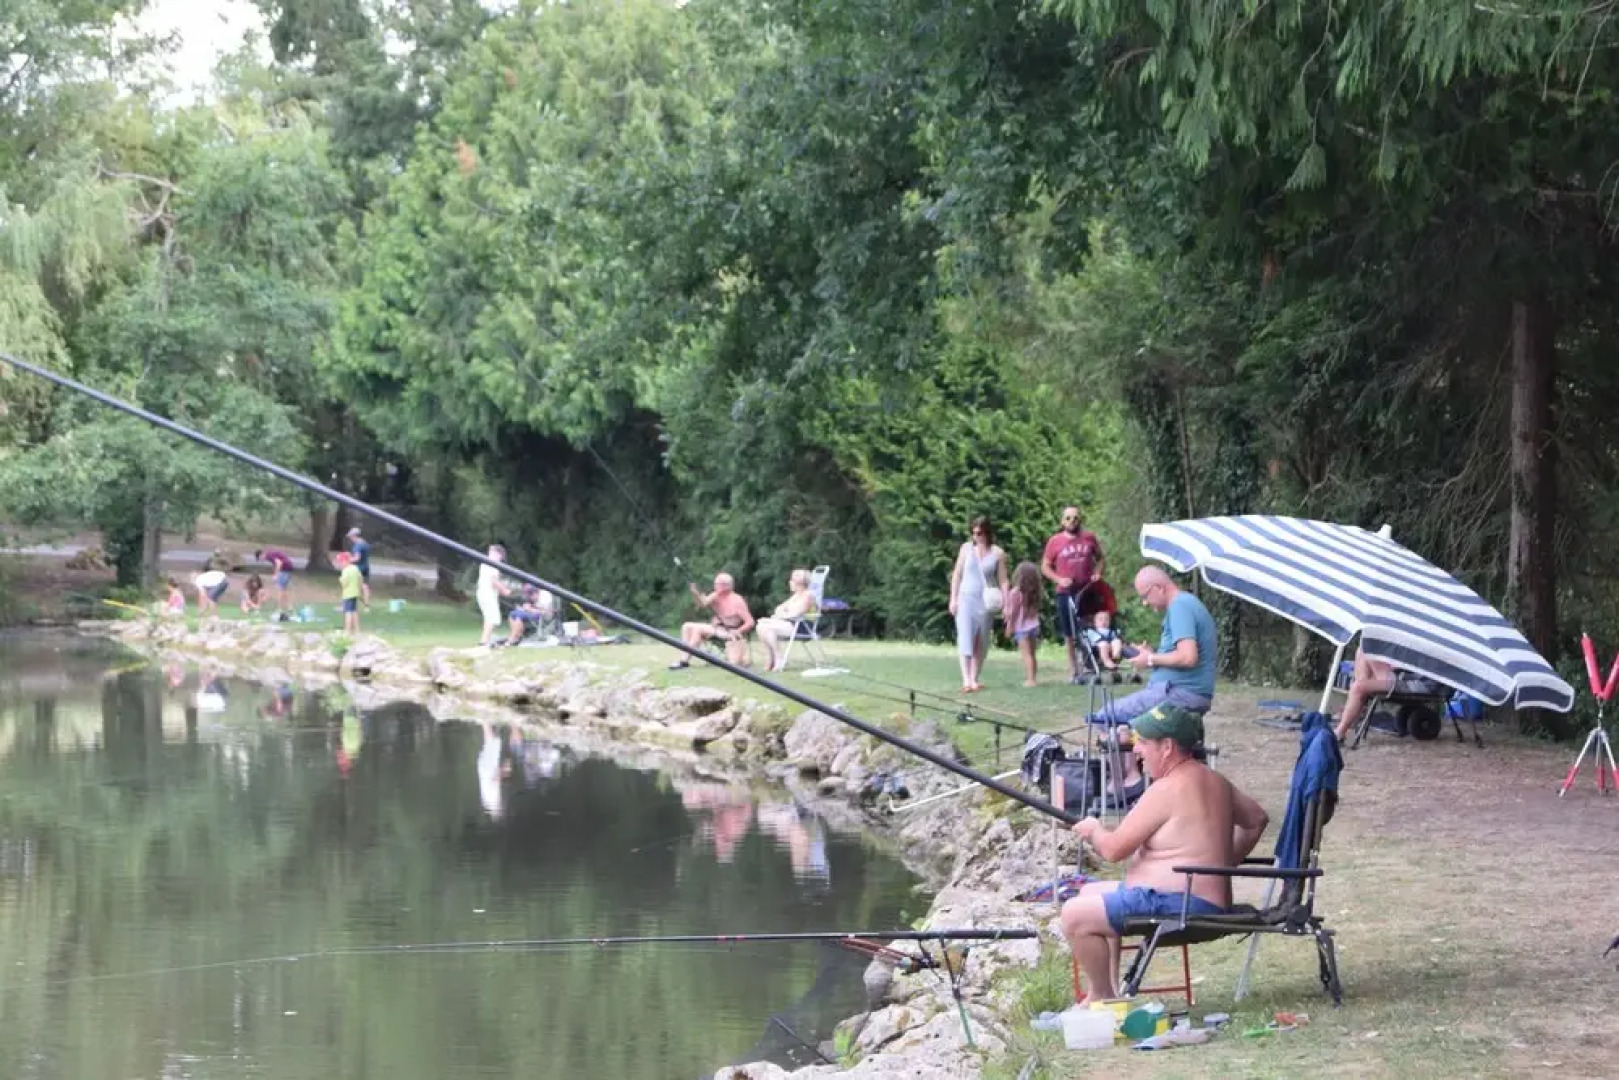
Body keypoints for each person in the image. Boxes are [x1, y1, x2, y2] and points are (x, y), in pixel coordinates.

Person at [1059, 705, 1269, 1001]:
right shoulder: (1215, 780)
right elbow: (1257, 819)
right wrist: (1224, 863)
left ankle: (1102, 997)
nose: (1136, 750)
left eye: (1143, 742)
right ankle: (1109, 993)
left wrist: (1094, 830)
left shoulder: (1167, 789)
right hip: (1195, 900)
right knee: (1088, 894)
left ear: (1167, 746)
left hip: (1180, 904)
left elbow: (1113, 850)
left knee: (1074, 915)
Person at [1088, 566, 1219, 797]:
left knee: (1104, 716)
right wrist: (1152, 654)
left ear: (1159, 587)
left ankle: (1129, 782)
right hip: (1181, 690)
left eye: (1145, 596)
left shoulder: (1180, 607)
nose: (1145, 603)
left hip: (1179, 692)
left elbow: (1188, 657)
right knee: (1121, 723)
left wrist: (1149, 659)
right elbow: (1179, 654)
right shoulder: (1186, 605)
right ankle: (1133, 779)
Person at [1041, 506, 1105, 684]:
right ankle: (1074, 671)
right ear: (1062, 521)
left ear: (1080, 520)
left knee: (1090, 628)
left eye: (1075, 518)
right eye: (1068, 518)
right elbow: (1045, 566)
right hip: (1066, 592)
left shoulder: (1089, 537)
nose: (1072, 521)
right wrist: (1058, 579)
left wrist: (1097, 573)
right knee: (1069, 633)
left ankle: (1090, 665)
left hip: (1087, 590)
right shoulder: (1055, 541)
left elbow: (1100, 558)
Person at [949, 516, 1009, 693]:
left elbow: (1003, 580)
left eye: (980, 533)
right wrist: (953, 598)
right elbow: (957, 574)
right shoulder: (966, 549)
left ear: (987, 533)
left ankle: (975, 677)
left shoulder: (997, 553)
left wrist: (1006, 603)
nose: (977, 536)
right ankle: (966, 680)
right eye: (974, 533)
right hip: (966, 597)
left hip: (986, 601)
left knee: (981, 640)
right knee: (965, 636)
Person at [669, 573, 754, 669]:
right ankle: (683, 657)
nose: (715, 586)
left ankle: (684, 661)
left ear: (726, 586)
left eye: (717, 584)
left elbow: (750, 622)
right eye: (715, 584)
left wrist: (738, 631)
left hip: (730, 631)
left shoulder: (737, 600)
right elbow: (702, 604)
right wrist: (695, 593)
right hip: (717, 628)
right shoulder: (716, 595)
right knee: (686, 626)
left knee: (698, 629)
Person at [755, 568, 817, 672]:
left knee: (767, 627)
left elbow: (796, 613)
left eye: (792, 580)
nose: (790, 582)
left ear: (800, 583)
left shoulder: (808, 595)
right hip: (790, 623)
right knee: (760, 625)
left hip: (802, 626)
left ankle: (778, 657)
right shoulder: (796, 596)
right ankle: (771, 658)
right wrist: (783, 614)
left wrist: (782, 614)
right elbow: (779, 609)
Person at [1332, 648, 1396, 742]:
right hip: (1384, 674)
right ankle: (1357, 710)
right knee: (1362, 649)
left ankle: (1342, 729)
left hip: (1396, 677)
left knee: (1358, 687)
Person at [1001, 561, 1044, 687]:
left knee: (1026, 655)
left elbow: (1014, 613)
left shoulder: (1015, 593)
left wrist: (1009, 627)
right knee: (1032, 654)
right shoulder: (1035, 593)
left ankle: (1030, 680)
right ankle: (1033, 677)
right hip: (1034, 626)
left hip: (1021, 628)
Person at [476, 544, 511, 647]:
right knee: (492, 618)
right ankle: (484, 641)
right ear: (498, 554)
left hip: (483, 593)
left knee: (490, 618)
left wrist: (501, 589)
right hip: (488, 595)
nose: (501, 559)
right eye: (501, 556)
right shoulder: (493, 564)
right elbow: (494, 581)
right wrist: (504, 590)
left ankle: (486, 639)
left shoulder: (484, 563)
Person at [255, 547, 295, 614]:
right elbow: (276, 564)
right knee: (283, 590)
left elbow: (279, 563)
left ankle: (279, 608)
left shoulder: (268, 555)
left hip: (284, 569)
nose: (261, 560)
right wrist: (275, 572)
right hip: (288, 568)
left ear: (261, 555)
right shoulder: (270, 554)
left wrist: (275, 575)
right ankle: (290, 607)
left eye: (259, 559)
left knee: (279, 589)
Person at [337, 552, 363, 635]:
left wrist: (340, 579)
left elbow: (344, 583)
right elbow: (360, 579)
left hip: (348, 594)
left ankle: (347, 630)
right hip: (355, 593)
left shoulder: (345, 571)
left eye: (340, 562)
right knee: (354, 611)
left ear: (345, 561)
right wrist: (359, 589)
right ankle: (357, 630)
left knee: (347, 612)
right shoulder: (355, 568)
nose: (340, 564)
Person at [346, 527, 372, 608]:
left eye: (350, 536)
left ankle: (349, 605)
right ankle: (366, 605)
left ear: (354, 536)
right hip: (366, 567)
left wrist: (347, 559)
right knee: (364, 586)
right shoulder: (365, 544)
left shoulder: (357, 546)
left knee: (351, 586)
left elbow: (357, 558)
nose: (350, 538)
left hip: (358, 568)